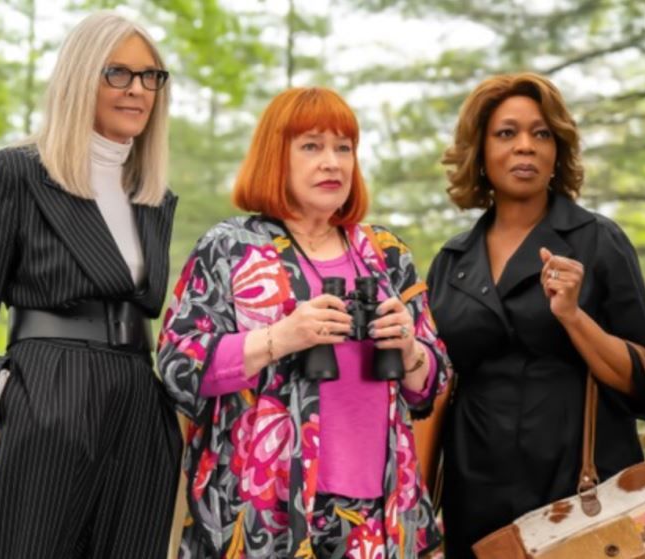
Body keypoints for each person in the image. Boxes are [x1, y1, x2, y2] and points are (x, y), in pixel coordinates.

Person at [157, 87, 451, 558]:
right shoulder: (231, 247)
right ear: (277, 156)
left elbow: (430, 384)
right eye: (311, 146)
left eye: (344, 148)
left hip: (377, 512)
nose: (332, 162)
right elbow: (178, 365)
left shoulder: (385, 254)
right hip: (261, 509)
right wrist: (279, 338)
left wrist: (411, 350)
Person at [0, 12, 181, 558]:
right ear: (80, 77)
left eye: (150, 77)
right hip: (51, 395)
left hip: (139, 402)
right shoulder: (15, 174)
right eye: (118, 73)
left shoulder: (153, 197)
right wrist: (8, 393)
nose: (138, 90)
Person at [427, 72, 645, 557]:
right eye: (507, 133)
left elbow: (644, 386)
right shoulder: (452, 262)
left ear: (558, 150)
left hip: (582, 491)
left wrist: (574, 316)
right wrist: (414, 499)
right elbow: (432, 389)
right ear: (480, 150)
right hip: (476, 493)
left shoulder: (599, 241)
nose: (525, 147)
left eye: (541, 134)